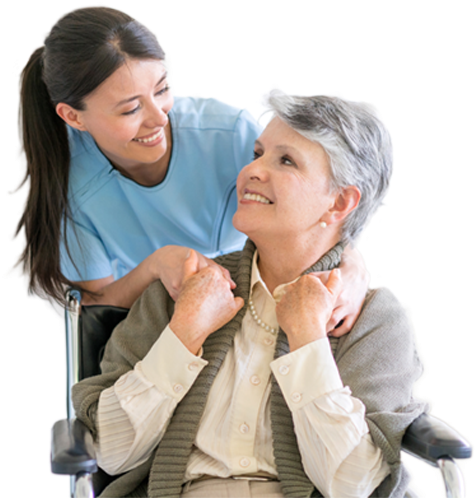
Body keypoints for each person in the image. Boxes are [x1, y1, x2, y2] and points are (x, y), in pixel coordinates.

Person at [72, 86, 429, 498]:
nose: (252, 171)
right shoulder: (182, 289)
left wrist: (308, 339)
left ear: (340, 203)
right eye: (258, 154)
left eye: (286, 161)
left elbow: (353, 485)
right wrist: (184, 332)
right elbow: (111, 452)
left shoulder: (375, 320)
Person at [8, 4, 368, 336]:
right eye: (130, 110)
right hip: (157, 327)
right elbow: (96, 308)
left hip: (257, 300)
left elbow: (314, 209)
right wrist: (155, 267)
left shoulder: (226, 136)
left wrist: (353, 268)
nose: (157, 118)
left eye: (163, 90)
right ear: (73, 116)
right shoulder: (71, 189)